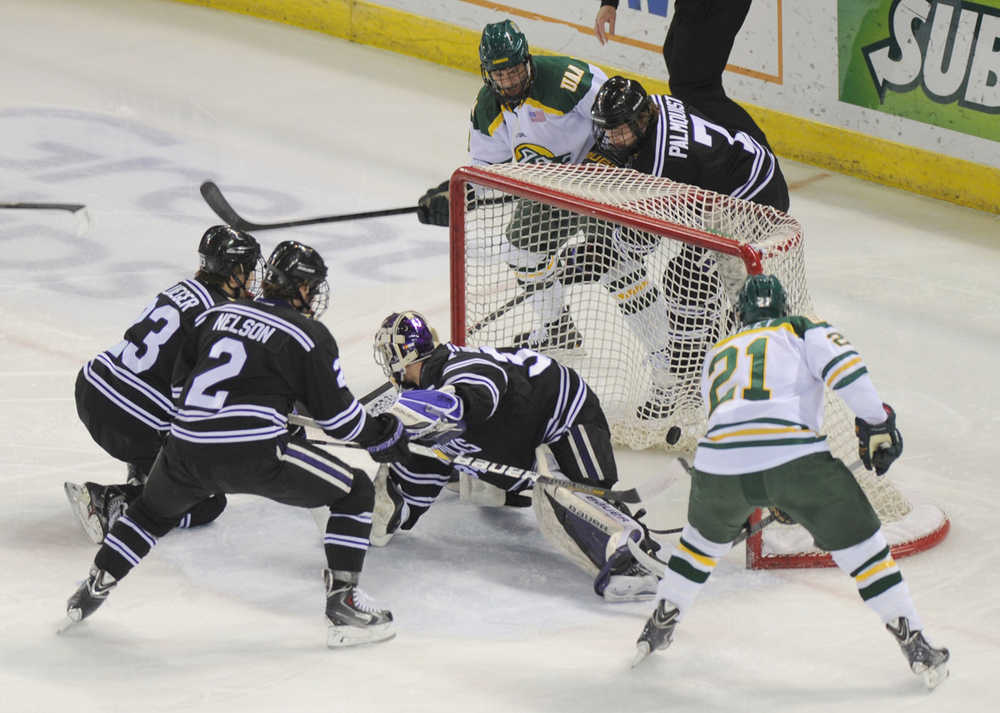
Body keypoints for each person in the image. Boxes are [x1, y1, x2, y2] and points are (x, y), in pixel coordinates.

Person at [61, 241, 410, 648]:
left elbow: (180, 386)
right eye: (312, 288)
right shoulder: (309, 335)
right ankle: (344, 605)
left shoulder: (214, 314)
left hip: (184, 448)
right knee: (355, 491)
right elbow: (340, 421)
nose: (314, 297)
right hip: (256, 454)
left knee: (149, 515)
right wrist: (383, 434)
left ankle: (92, 589)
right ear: (301, 289)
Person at [631, 274, 950, 689]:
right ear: (782, 307)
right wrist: (877, 421)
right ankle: (915, 642)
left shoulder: (719, 351)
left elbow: (734, 421)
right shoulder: (800, 328)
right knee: (865, 550)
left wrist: (764, 490)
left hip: (718, 466)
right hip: (794, 461)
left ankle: (659, 624)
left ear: (738, 314)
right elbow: (847, 371)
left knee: (697, 547)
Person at [368, 310, 662, 603]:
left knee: (566, 500)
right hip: (518, 438)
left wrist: (435, 412)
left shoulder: (458, 364)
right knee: (429, 443)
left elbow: (479, 393)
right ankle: (487, 485)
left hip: (564, 415)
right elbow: (423, 445)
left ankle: (628, 551)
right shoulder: (420, 395)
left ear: (401, 355)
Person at [416, 19, 609, 351]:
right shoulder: (487, 108)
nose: (509, 81)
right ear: (487, 73)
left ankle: (665, 354)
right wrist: (456, 196)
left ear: (528, 61)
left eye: (515, 71)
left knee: (616, 264)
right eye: (499, 75)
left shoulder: (569, 81)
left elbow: (618, 122)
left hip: (604, 185)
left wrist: (597, 168)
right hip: (551, 194)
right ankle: (557, 328)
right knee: (521, 251)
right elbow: (487, 172)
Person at [65, 225, 263, 544]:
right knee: (209, 501)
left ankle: (146, 472)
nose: (253, 278)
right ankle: (114, 505)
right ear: (236, 271)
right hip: (131, 423)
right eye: (249, 269)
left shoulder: (182, 289)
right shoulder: (224, 314)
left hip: (91, 386)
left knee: (157, 398)